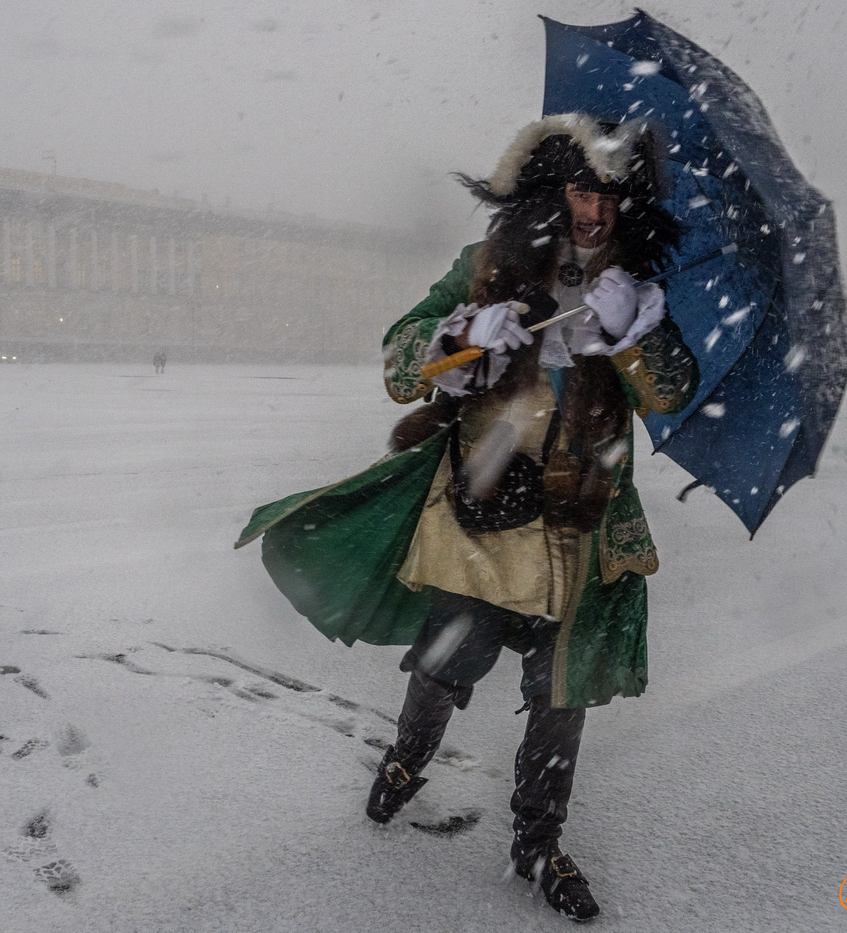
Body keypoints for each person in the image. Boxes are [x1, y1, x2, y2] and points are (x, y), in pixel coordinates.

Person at [237, 112, 698, 924]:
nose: (594, 212)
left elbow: (671, 392)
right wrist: (459, 339)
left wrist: (632, 337)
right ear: (557, 184)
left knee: (562, 696)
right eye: (584, 188)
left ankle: (539, 842)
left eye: (612, 198)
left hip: (582, 527)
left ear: (632, 209)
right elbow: (400, 357)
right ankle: (408, 758)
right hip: (485, 508)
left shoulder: (640, 292)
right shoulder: (488, 262)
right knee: (450, 657)